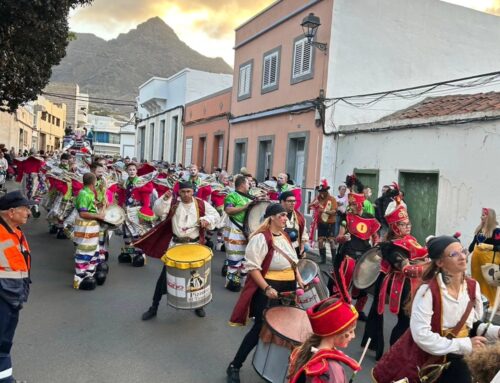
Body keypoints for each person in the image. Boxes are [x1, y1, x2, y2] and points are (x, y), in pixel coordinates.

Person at [373, 234, 500, 383]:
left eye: (463, 251)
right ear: (440, 262)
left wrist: (495, 331)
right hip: (431, 364)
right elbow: (422, 336)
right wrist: (465, 344)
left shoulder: (472, 287)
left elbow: (471, 325)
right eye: (454, 254)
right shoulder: (427, 292)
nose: (462, 257)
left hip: (460, 364)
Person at [226, 203, 300, 383]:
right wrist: (267, 288)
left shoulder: (284, 236)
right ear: (272, 217)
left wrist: (300, 280)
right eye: (282, 215)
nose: (285, 218)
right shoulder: (260, 238)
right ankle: (235, 365)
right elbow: (253, 268)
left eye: (286, 216)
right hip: (269, 287)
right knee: (259, 327)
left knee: (286, 330)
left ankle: (280, 370)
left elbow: (293, 262)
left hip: (288, 289)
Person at [137, 181, 220, 319]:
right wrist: (164, 199)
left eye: (188, 191)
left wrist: (207, 220)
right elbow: (158, 211)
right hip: (176, 246)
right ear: (179, 192)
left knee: (196, 276)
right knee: (164, 277)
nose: (186, 194)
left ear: (192, 191)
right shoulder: (173, 202)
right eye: (183, 192)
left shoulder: (201, 204)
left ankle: (199, 305)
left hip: (194, 247)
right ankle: (154, 307)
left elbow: (216, 216)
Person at [361, 204, 428, 360]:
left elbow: (421, 256)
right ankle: (394, 354)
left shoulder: (411, 240)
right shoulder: (391, 247)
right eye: (403, 224)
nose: (408, 227)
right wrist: (428, 265)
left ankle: (404, 353)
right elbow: (405, 267)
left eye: (408, 223)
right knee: (405, 320)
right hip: (400, 284)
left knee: (413, 320)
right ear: (395, 227)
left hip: (414, 283)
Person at [0, 191, 34, 383]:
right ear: (11, 212)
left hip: (12, 296)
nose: (28, 213)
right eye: (25, 209)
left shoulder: (15, 232)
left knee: (4, 344)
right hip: (3, 297)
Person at [288, 297, 360, 383]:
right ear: (335, 332)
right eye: (351, 331)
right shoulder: (332, 370)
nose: (354, 336)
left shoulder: (305, 350)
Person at [334, 191, 380, 320]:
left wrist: (377, 245)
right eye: (350, 204)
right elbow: (338, 238)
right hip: (349, 253)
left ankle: (359, 311)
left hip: (365, 254)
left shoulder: (370, 217)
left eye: (354, 204)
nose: (351, 206)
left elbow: (376, 236)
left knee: (364, 284)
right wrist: (343, 238)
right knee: (345, 283)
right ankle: (342, 309)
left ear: (361, 204)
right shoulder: (346, 218)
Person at [116, 162, 155, 267]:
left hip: (136, 210)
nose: (132, 171)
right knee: (127, 234)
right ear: (127, 171)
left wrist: (144, 212)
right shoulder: (125, 182)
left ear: (136, 171)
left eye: (133, 169)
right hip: (126, 210)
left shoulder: (141, 181)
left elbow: (147, 196)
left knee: (137, 234)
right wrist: (121, 206)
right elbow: (122, 196)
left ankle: (140, 256)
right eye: (130, 170)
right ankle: (128, 254)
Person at [73, 173, 106, 290]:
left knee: (94, 251)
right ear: (94, 182)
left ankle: (89, 273)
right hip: (85, 227)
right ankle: (80, 276)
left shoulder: (90, 193)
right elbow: (83, 213)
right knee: (84, 251)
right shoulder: (83, 194)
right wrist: (98, 216)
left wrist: (101, 204)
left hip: (92, 227)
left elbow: (92, 206)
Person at [223, 175, 254, 292]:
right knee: (234, 258)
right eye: (247, 183)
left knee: (246, 259)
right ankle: (231, 282)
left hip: (247, 232)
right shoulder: (232, 196)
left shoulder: (250, 197)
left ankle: (244, 282)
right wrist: (246, 206)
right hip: (234, 231)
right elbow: (228, 210)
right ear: (242, 184)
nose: (249, 185)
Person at [469, 208, 500, 309]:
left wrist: (488, 247)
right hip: (476, 259)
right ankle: (480, 301)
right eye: (481, 215)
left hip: (489, 259)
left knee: (490, 282)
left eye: (483, 215)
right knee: (477, 281)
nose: (481, 217)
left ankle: (494, 303)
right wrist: (466, 254)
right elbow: (473, 244)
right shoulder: (479, 229)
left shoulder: (496, 231)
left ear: (489, 217)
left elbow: (498, 247)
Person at [309, 180, 337, 264]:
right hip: (321, 222)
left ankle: (334, 260)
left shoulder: (332, 199)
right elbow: (310, 206)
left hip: (330, 222)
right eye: (320, 191)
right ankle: (323, 259)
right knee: (320, 241)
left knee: (331, 241)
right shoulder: (317, 198)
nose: (321, 193)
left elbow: (334, 212)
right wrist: (313, 206)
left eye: (322, 191)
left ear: (326, 191)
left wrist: (324, 210)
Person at [280, 191, 308, 258]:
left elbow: (303, 232)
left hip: (295, 248)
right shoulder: (275, 215)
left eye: (294, 201)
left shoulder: (299, 217)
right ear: (282, 202)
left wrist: (302, 245)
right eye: (289, 201)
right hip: (280, 248)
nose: (293, 203)